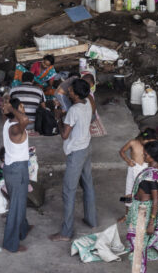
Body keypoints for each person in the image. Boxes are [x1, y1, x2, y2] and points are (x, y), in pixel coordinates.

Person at [49, 78, 97, 242]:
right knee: (88, 184)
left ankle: (66, 232)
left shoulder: (73, 111)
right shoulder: (88, 102)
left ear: (75, 94)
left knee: (68, 192)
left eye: (70, 90)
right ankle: (91, 220)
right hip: (87, 147)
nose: (67, 91)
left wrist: (58, 118)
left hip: (76, 152)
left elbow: (64, 135)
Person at [126, 141, 158, 273]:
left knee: (138, 248)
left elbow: (156, 200)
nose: (143, 156)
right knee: (152, 241)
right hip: (142, 208)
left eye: (145, 154)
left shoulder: (151, 176)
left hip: (143, 212)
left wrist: (151, 223)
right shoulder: (154, 169)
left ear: (152, 156)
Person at [1, 97, 31, 253]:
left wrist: (10, 109)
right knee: (16, 206)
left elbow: (22, 119)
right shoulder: (14, 129)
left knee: (20, 201)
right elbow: (25, 119)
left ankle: (23, 228)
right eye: (21, 106)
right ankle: (10, 243)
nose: (23, 107)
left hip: (15, 167)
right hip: (17, 169)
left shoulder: (9, 123)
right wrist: (11, 108)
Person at [119, 128, 157, 198]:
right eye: (148, 141)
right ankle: (128, 206)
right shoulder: (132, 143)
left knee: (144, 191)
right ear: (143, 138)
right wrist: (128, 160)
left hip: (146, 168)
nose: (149, 143)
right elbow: (122, 151)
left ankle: (140, 206)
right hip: (133, 168)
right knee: (129, 190)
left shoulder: (150, 146)